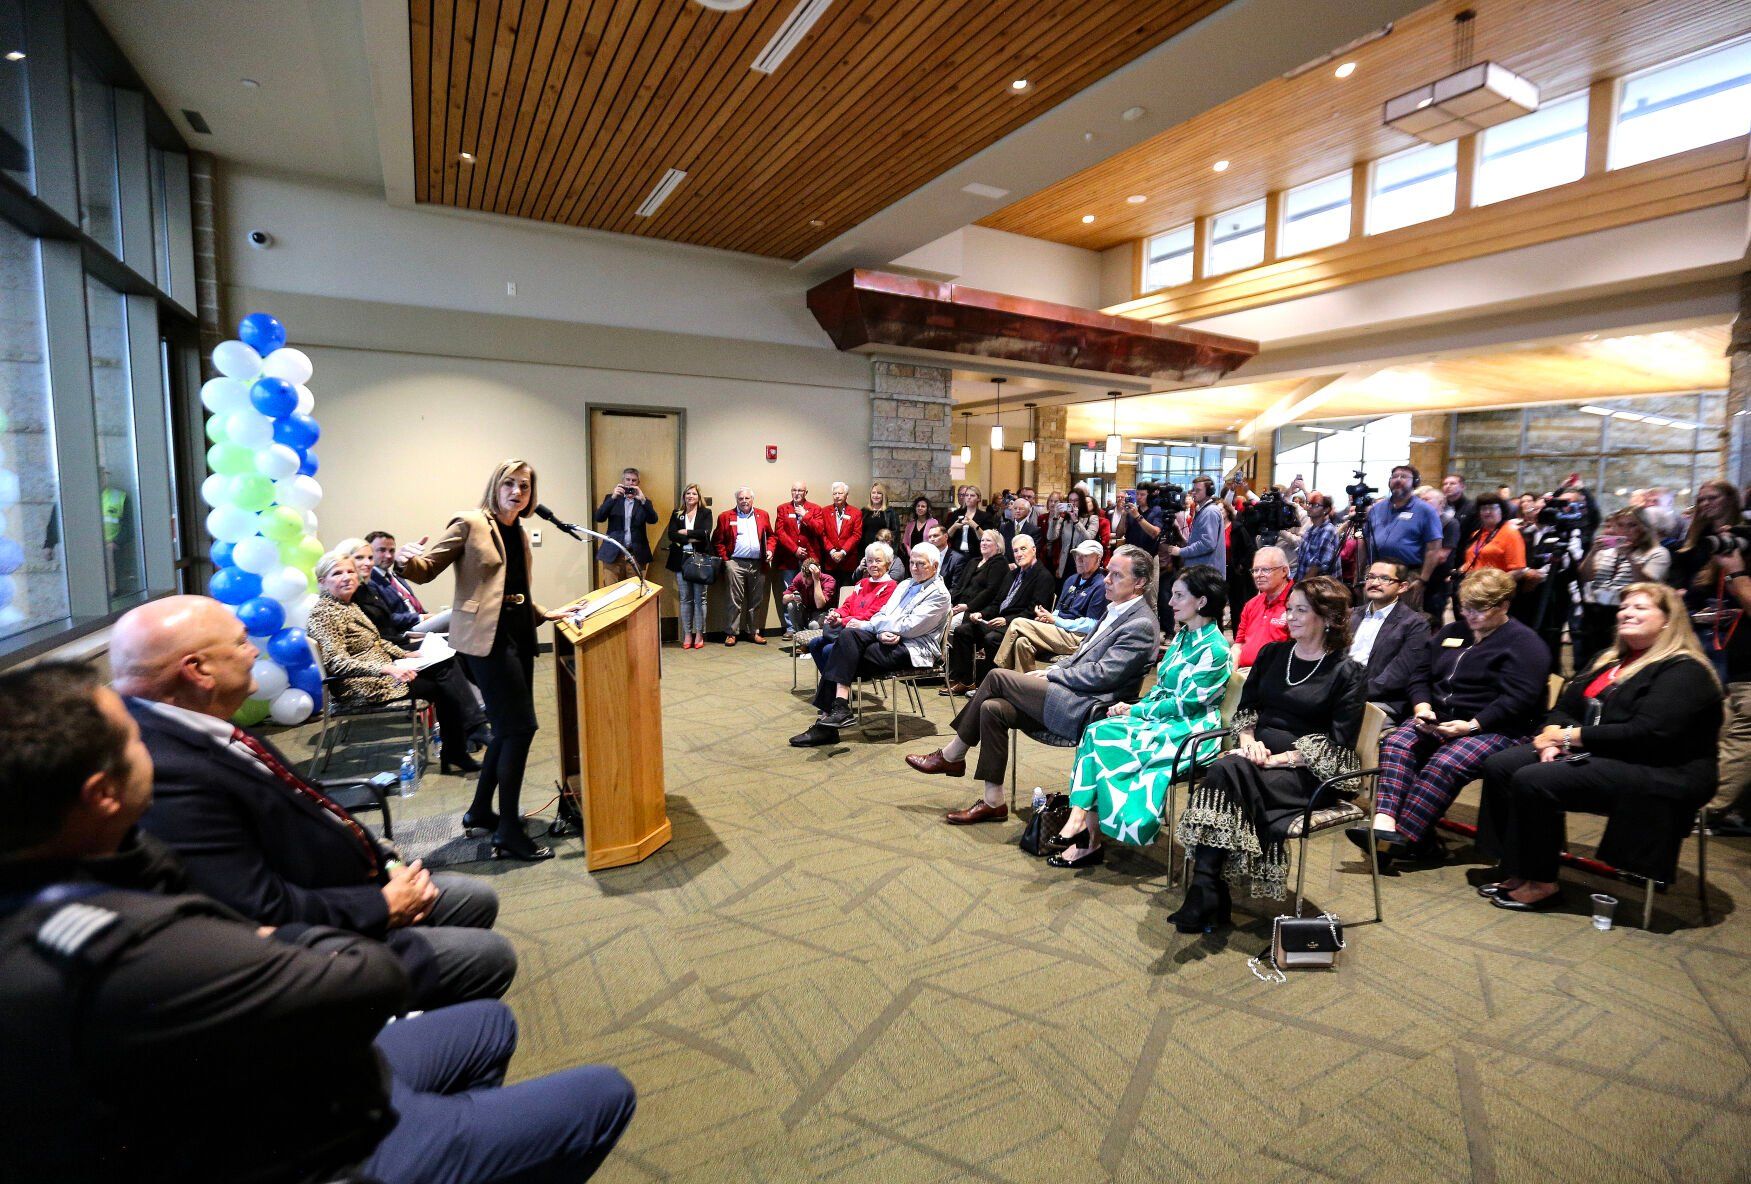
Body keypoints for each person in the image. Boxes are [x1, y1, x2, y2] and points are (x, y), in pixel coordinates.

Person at [0, 662, 635, 1184]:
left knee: (488, 1024)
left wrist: (271, 937)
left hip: (284, 1082)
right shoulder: (122, 946)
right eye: (134, 739)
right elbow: (368, 978)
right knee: (603, 1093)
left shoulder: (82, 861)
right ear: (100, 795)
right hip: (301, 1141)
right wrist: (326, 925)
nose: (152, 743)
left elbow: (244, 925)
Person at [113, 596, 515, 1011]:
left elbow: (313, 804)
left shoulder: (198, 725)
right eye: (239, 643)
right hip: (314, 936)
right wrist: (381, 905)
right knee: (487, 956)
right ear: (198, 670)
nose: (253, 650)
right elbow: (259, 905)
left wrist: (389, 864)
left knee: (474, 897)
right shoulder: (165, 770)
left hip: (354, 879)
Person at [1476, 584, 1723, 912]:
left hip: (1661, 768)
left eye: (1640, 607)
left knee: (1534, 779)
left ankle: (1541, 882)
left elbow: (1645, 733)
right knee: (1502, 765)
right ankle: (1516, 868)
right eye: (1624, 607)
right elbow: (1566, 706)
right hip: (1603, 751)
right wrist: (1554, 736)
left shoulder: (1684, 669)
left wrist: (1565, 740)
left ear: (1668, 620)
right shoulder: (1608, 659)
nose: (1627, 613)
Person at [907, 545, 1160, 824]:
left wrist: (1053, 675)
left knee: (996, 676)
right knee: (992, 707)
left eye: (1116, 575)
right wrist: (1053, 670)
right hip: (1071, 695)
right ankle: (993, 801)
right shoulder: (1117, 609)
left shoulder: (1141, 624)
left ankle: (953, 754)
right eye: (1108, 572)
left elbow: (1103, 675)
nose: (1107, 580)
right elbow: (1078, 656)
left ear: (1139, 583)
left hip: (1090, 709)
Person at [1173, 576, 1365, 931]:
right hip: (1254, 760)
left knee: (1224, 772)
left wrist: (1279, 758)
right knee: (1229, 770)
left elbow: (1340, 743)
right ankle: (1206, 887)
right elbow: (1248, 709)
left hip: (1310, 773)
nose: (1289, 617)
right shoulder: (1273, 654)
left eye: (1301, 610)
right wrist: (1247, 741)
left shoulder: (1347, 673)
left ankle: (1206, 889)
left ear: (1328, 618)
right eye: (1289, 609)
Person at [396, 459, 565, 862]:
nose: (517, 492)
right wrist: (406, 560)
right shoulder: (470, 523)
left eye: (524, 486)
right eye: (509, 484)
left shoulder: (519, 531)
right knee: (520, 729)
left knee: (507, 730)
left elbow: (513, 587)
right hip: (486, 642)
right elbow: (425, 569)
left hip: (520, 634)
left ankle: (481, 811)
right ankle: (507, 831)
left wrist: (544, 612)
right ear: (496, 486)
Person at [1347, 569, 1549, 870]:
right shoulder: (1453, 632)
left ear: (1504, 606)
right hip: (1440, 717)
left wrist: (1472, 725)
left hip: (1495, 727)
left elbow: (1517, 700)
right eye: (1466, 607)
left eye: (1480, 609)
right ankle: (1385, 822)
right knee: (1398, 744)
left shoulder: (1525, 643)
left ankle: (1401, 839)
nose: (1471, 616)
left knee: (1446, 762)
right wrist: (1422, 707)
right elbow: (1420, 675)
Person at [1048, 564, 1232, 867]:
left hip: (1191, 730)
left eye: (1178, 595)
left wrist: (1137, 709)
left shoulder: (1215, 649)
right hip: (1167, 719)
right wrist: (1139, 706)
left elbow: (1185, 704)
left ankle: (1085, 831)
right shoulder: (1184, 637)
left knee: (1102, 735)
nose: (1170, 602)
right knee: (1097, 730)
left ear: (1201, 601)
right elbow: (1163, 690)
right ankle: (1082, 825)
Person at [307, 549, 480, 777]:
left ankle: (462, 742)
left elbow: (375, 642)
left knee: (446, 666)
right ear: (322, 581)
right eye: (337, 573)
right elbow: (337, 662)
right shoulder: (325, 613)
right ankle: (470, 734)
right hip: (363, 686)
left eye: (350, 571)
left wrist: (405, 655)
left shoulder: (347, 605)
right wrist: (386, 668)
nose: (347, 576)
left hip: (381, 676)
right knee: (444, 678)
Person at [790, 543, 951, 746]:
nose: (915, 567)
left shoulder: (940, 594)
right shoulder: (905, 585)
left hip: (913, 649)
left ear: (935, 566)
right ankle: (839, 708)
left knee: (841, 654)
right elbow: (884, 614)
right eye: (912, 562)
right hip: (888, 638)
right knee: (848, 636)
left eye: (921, 564)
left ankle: (827, 723)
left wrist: (882, 628)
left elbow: (909, 627)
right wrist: (883, 630)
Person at [945, 532, 1056, 692]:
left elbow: (1034, 612)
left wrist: (1007, 620)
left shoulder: (1043, 577)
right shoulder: (1013, 574)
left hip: (1020, 625)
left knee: (992, 639)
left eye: (1023, 549)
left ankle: (987, 685)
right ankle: (966, 680)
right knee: (963, 630)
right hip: (998, 621)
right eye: (1016, 550)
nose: (1019, 554)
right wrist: (982, 614)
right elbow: (997, 602)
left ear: (1034, 550)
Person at [991, 538, 1109, 674]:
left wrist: (1056, 621)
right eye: (1077, 555)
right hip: (1058, 631)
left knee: (1018, 623)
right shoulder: (1071, 579)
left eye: (1086, 556)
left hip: (1078, 638)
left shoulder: (1101, 585)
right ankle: (1027, 687)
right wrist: (1047, 618)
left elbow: (1092, 624)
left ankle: (999, 670)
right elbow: (1058, 611)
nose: (1080, 559)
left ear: (1098, 558)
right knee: (1022, 643)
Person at [1574, 508, 1670, 668]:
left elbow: (1647, 584)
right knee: (1587, 660)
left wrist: (1630, 558)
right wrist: (1592, 552)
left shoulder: (1657, 553)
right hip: (1594, 611)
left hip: (1624, 611)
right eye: (1620, 525)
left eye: (1632, 525)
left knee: (1618, 658)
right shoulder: (1607, 552)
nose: (1625, 530)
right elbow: (1585, 576)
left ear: (1643, 528)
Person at [1346, 561, 1432, 722]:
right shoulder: (1351, 615)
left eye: (1385, 578)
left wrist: (1351, 692)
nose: (1375, 583)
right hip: (1341, 692)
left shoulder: (1415, 624)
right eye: (1371, 577)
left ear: (1402, 587)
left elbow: (1398, 676)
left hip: (1379, 701)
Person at [1365, 464, 1444, 609]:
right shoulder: (1376, 509)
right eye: (1394, 476)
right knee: (1373, 612)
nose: (1398, 480)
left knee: (1403, 618)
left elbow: (1434, 549)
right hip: (1377, 571)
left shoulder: (1425, 511)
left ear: (1415, 482)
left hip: (1408, 574)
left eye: (1404, 477)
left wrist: (1422, 580)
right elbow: (1365, 541)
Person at [800, 541, 897, 657]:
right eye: (870, 561)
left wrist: (843, 621)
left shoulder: (891, 585)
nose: (873, 564)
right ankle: (831, 675)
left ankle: (838, 674)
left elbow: (872, 615)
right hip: (848, 626)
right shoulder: (862, 582)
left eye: (878, 561)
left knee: (828, 650)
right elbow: (848, 605)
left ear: (888, 563)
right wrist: (836, 614)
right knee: (815, 644)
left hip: (865, 630)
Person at [714, 485, 777, 646]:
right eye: (740, 498)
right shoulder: (725, 516)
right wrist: (726, 561)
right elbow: (718, 541)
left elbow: (771, 536)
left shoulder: (762, 515)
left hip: (758, 563)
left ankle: (753, 632)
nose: (744, 501)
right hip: (735, 562)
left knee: (756, 600)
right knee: (734, 599)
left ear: (752, 499)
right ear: (736, 500)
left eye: (747, 498)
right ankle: (731, 633)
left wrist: (770, 550)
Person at [365, 531, 444, 639]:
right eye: (382, 550)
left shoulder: (395, 576)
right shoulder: (369, 581)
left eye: (392, 550)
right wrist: (422, 618)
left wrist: (432, 616)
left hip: (420, 624)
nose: (388, 555)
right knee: (454, 616)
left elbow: (412, 605)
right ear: (368, 552)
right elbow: (386, 618)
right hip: (404, 632)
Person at [666, 482, 714, 649]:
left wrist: (685, 533)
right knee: (686, 598)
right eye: (688, 494)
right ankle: (687, 633)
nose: (690, 496)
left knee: (700, 598)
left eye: (693, 494)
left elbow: (706, 533)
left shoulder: (706, 513)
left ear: (698, 496)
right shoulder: (677, 513)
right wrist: (693, 537)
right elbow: (671, 535)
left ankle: (699, 633)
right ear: (684, 496)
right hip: (681, 560)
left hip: (700, 560)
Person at [592, 465, 658, 586]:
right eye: (627, 479)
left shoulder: (644, 502)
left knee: (635, 592)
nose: (630, 483)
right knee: (611, 592)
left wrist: (643, 500)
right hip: (613, 554)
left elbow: (653, 520)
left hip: (636, 555)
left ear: (638, 483)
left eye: (634, 480)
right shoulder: (611, 498)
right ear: (623, 481)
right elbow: (599, 518)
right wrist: (612, 498)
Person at [772, 480, 819, 637]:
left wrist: (805, 517)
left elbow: (819, 530)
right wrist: (795, 549)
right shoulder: (782, 508)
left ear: (806, 492)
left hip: (809, 558)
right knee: (789, 590)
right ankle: (791, 627)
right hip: (788, 558)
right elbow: (780, 532)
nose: (797, 493)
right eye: (794, 490)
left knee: (809, 591)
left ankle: (807, 626)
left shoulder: (815, 509)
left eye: (800, 490)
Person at [1234, 545, 1293, 667]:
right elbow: (1238, 644)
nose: (1258, 575)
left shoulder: (1298, 604)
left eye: (1265, 570)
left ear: (1284, 571)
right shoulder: (1251, 604)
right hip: (1245, 674)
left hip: (1277, 675)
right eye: (1255, 570)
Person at [1164, 475, 1226, 583]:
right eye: (1193, 489)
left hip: (1206, 576)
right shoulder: (1203, 510)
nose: (1193, 493)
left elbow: (1207, 544)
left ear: (1209, 491)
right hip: (1202, 573)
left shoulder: (1210, 512)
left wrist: (1180, 552)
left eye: (1198, 490)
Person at [807, 481, 864, 586]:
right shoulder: (824, 511)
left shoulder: (856, 513)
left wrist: (842, 552)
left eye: (840, 493)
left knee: (846, 593)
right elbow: (822, 533)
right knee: (830, 593)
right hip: (829, 561)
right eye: (834, 493)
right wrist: (832, 551)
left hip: (848, 561)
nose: (837, 496)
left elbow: (856, 535)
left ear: (846, 495)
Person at [1459, 493, 1526, 577]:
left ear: (1502, 510)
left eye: (1492, 508)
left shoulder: (1511, 533)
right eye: (1483, 509)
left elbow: (1518, 570)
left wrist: (1492, 586)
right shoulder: (1476, 534)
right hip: (1472, 586)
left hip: (1495, 588)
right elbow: (1472, 561)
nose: (1487, 512)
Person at [1046, 488, 1110, 577]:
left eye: (1076, 500)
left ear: (1081, 502)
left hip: (1082, 561)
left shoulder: (1092, 518)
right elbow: (1051, 537)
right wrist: (1055, 517)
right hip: (1065, 562)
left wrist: (1076, 521)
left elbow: (1089, 538)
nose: (1073, 503)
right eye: (1071, 500)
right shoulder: (1064, 519)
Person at [782, 559, 838, 636]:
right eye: (804, 577)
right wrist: (792, 596)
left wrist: (816, 580)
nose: (805, 581)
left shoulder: (829, 580)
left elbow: (820, 605)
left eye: (809, 578)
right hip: (807, 611)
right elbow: (784, 600)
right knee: (791, 606)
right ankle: (801, 637)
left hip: (823, 613)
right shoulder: (800, 577)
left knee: (813, 625)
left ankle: (813, 644)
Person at [1293, 493, 1338, 581]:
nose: (1309, 507)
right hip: (1306, 584)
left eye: (1315, 505)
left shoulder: (1328, 530)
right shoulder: (1310, 530)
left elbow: (1317, 566)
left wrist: (1300, 587)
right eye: (1309, 504)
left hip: (1321, 588)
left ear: (1326, 509)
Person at [944, 484, 994, 560]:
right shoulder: (956, 514)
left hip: (975, 554)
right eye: (967, 495)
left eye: (972, 495)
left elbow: (985, 538)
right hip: (956, 553)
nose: (969, 497)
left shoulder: (985, 516)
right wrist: (954, 526)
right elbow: (947, 536)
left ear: (978, 498)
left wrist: (974, 525)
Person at [862, 481, 903, 554]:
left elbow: (895, 534)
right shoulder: (864, 511)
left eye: (879, 493)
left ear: (883, 495)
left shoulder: (890, 512)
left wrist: (891, 552)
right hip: (864, 550)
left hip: (883, 551)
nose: (876, 495)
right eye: (873, 493)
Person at [998, 496, 1043, 560]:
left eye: (1021, 509)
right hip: (1007, 566)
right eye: (1015, 508)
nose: (1017, 511)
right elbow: (1001, 549)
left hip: (1025, 566)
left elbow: (1032, 553)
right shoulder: (1004, 527)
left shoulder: (1034, 530)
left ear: (1028, 512)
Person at [928, 521, 967, 589]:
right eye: (929, 537)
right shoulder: (926, 556)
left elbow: (956, 587)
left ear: (946, 536)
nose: (932, 539)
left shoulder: (958, 559)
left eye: (935, 535)